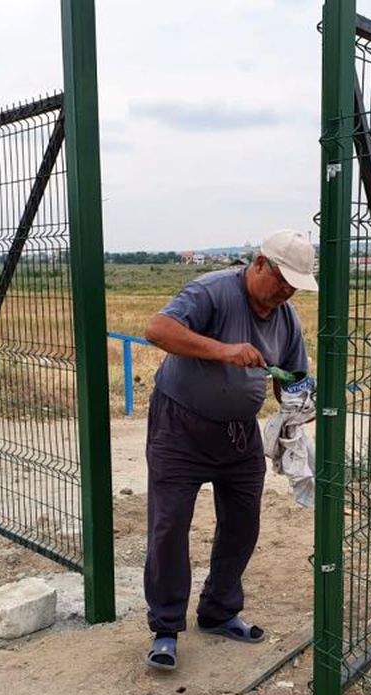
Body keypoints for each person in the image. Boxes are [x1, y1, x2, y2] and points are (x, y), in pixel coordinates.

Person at [141, 229, 318, 671]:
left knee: (242, 523)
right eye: (281, 281)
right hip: (179, 428)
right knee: (169, 526)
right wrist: (223, 351)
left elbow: (290, 377)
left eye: (294, 286)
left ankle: (219, 611)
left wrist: (298, 399)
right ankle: (166, 629)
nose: (285, 293)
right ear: (259, 264)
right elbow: (157, 330)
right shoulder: (213, 291)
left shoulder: (287, 319)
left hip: (239, 435)